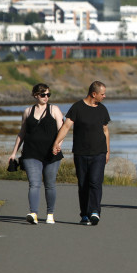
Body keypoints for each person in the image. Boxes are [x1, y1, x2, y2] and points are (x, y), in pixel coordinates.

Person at [52, 81, 111, 225]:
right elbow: (66, 127)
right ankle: (84, 214)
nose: (104, 96)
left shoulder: (102, 109)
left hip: (99, 153)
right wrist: (56, 143)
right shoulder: (77, 107)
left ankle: (95, 212)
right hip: (80, 153)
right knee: (83, 184)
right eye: (102, 94)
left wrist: (108, 151)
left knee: (95, 182)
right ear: (94, 94)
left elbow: (105, 131)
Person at [9, 83, 65, 225]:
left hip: (51, 154)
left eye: (48, 95)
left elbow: (62, 131)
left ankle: (50, 213)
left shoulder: (54, 110)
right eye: (43, 95)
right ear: (35, 95)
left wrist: (58, 146)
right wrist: (13, 153)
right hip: (31, 153)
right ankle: (33, 213)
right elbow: (22, 133)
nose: (46, 97)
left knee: (50, 185)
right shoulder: (28, 111)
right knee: (34, 184)